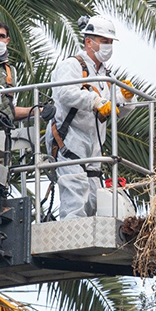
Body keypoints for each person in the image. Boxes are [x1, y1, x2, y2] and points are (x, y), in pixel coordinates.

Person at [45, 15, 136, 220]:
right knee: (75, 192)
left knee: (94, 198)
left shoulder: (105, 75)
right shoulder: (72, 65)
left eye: (110, 42)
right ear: (89, 42)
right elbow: (65, 93)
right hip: (69, 139)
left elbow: (115, 111)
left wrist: (125, 98)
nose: (108, 47)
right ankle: (71, 234)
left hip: (93, 142)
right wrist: (95, 101)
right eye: (104, 42)